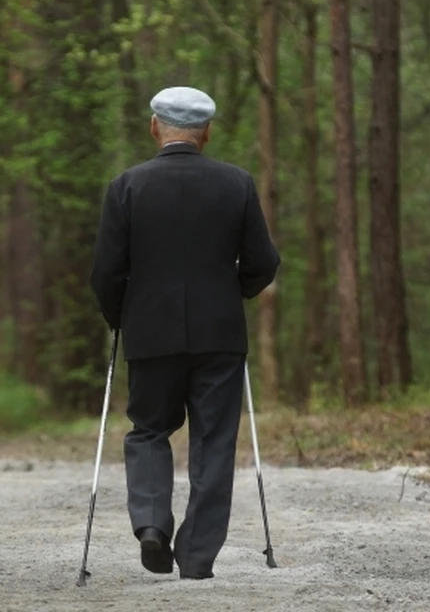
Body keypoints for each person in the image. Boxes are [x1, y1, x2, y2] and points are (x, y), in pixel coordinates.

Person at [89, 86, 280, 580]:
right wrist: (230, 292)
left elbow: (106, 273)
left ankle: (152, 524)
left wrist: (119, 316)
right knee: (214, 441)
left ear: (155, 126)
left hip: (151, 334)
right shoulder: (236, 184)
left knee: (149, 429)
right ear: (207, 131)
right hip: (220, 336)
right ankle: (196, 558)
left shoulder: (126, 187)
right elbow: (264, 262)